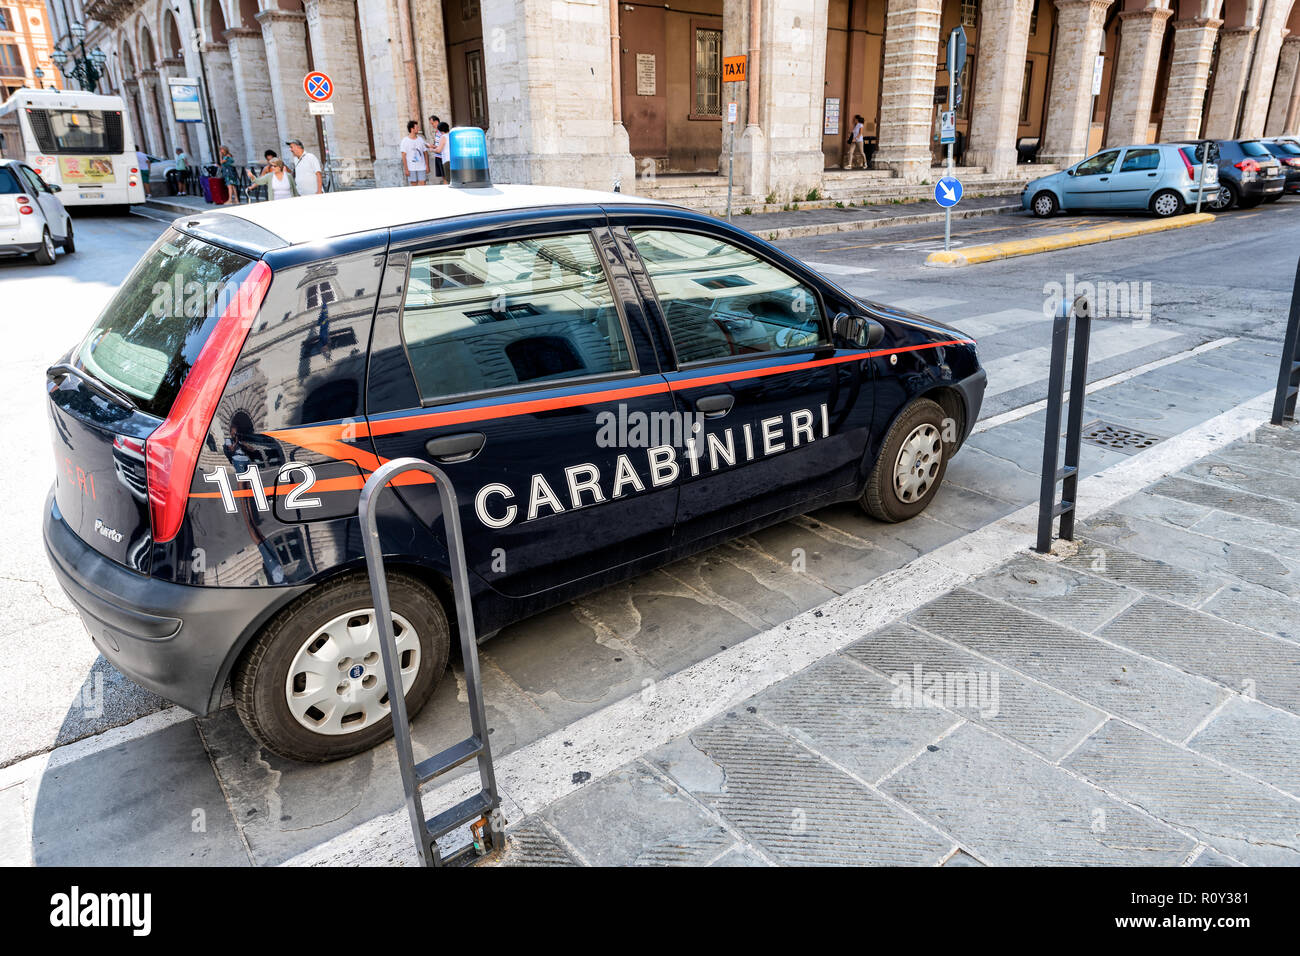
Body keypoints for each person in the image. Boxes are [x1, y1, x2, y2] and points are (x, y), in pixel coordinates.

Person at [400, 120, 429, 185]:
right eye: (417, 127)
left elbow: (425, 153)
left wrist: (427, 165)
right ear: (412, 129)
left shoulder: (420, 139)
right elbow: (403, 156)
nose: (418, 129)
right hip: (411, 168)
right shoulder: (405, 141)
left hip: (421, 167)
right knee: (414, 186)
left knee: (423, 184)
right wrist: (406, 169)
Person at [428, 115, 443, 181]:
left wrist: (432, 149)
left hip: (442, 157)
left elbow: (442, 146)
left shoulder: (442, 132)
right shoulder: (437, 132)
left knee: (445, 176)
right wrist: (433, 146)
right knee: (442, 176)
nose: (432, 125)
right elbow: (438, 144)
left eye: (432, 123)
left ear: (436, 122)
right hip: (438, 156)